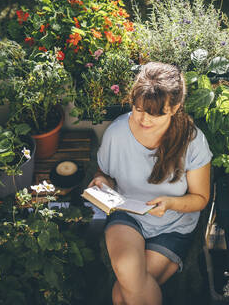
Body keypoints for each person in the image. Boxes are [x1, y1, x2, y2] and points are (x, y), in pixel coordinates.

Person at [88, 62, 213, 305]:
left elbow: (200, 199)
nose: (144, 119)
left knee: (123, 295)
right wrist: (101, 182)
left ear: (175, 107)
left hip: (173, 224)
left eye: (156, 113)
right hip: (128, 214)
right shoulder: (117, 133)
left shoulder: (193, 141)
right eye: (138, 109)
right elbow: (105, 173)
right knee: (127, 271)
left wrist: (170, 203)